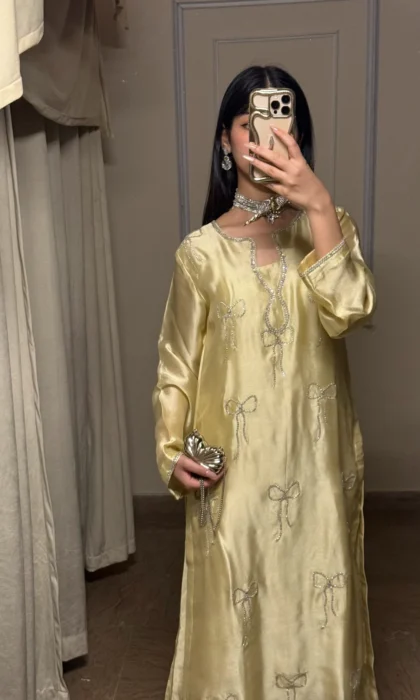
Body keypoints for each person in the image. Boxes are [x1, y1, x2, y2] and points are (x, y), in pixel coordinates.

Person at [153, 65, 378, 700]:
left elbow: (351, 310)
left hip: (318, 466)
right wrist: (172, 452)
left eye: (282, 123)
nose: (265, 137)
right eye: (248, 123)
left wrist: (317, 204)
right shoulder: (199, 252)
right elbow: (176, 365)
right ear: (225, 140)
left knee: (319, 602)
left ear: (298, 137)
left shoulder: (330, 226)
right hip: (236, 474)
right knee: (236, 613)